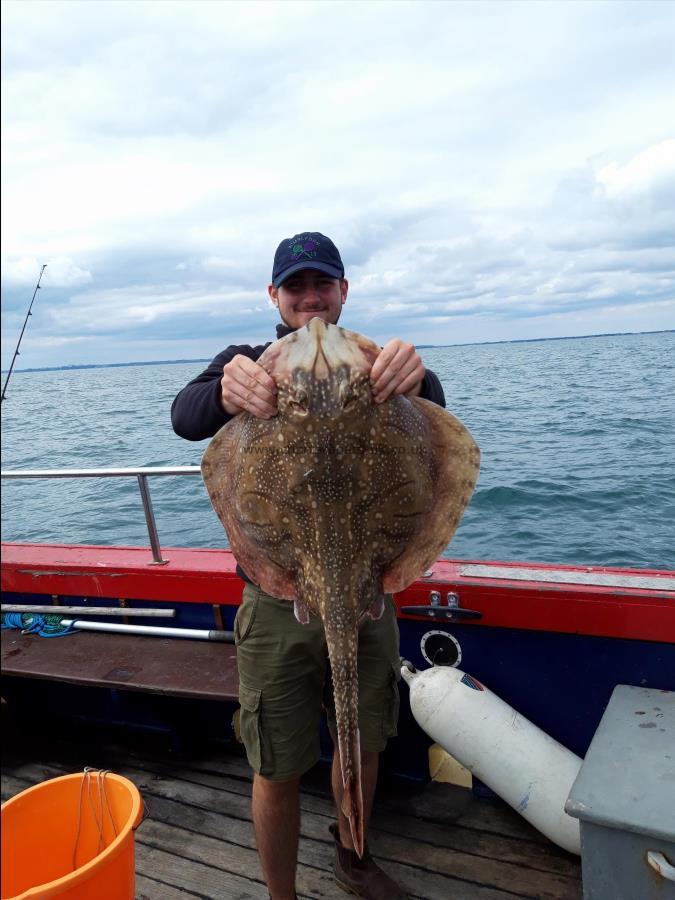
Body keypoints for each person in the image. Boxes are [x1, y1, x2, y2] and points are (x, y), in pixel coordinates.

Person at [172, 232, 446, 900]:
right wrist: (227, 390)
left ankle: (353, 858)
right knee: (278, 762)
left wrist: (419, 373)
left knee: (364, 740)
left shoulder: (377, 363)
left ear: (343, 291)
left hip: (364, 587)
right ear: (275, 296)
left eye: (322, 285)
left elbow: (435, 422)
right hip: (278, 592)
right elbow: (186, 418)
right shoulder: (244, 361)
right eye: (295, 288)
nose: (310, 299)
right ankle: (281, 894)